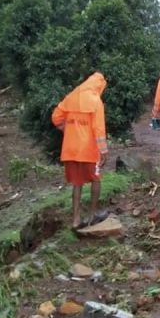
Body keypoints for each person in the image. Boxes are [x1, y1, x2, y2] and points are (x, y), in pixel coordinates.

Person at [51, 72, 109, 230]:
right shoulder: (96, 101)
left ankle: (75, 220)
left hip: (70, 149)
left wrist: (67, 129)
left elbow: (56, 117)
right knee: (95, 179)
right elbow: (98, 129)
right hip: (88, 150)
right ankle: (92, 216)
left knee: (77, 183)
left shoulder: (71, 96)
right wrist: (103, 150)